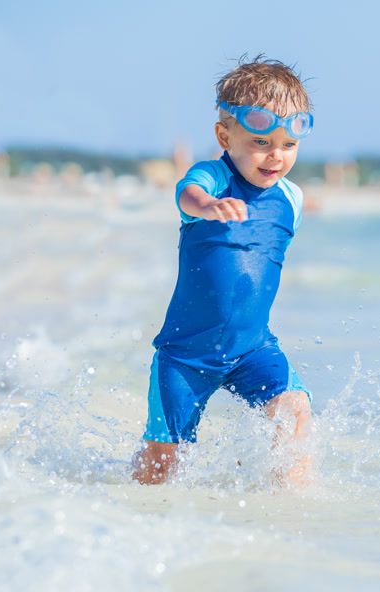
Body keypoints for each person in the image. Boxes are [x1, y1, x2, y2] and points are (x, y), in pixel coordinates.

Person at [132, 56, 314, 487]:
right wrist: (210, 207)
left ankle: (294, 506)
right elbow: (186, 194)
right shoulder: (212, 178)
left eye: (288, 144)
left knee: (295, 413)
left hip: (253, 349)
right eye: (261, 142)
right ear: (224, 136)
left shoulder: (292, 199)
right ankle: (126, 504)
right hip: (186, 355)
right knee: (164, 461)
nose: (276, 155)